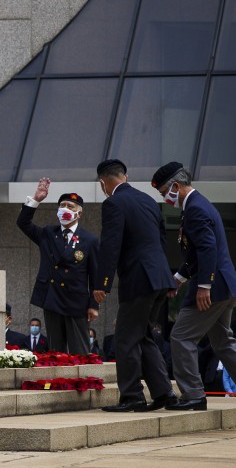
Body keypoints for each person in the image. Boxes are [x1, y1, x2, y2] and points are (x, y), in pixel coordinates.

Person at [151, 162, 236, 411]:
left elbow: (207, 249)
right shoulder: (198, 205)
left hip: (213, 288)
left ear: (176, 186)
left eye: (165, 192)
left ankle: (193, 395)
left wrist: (204, 286)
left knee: (181, 337)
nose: (166, 198)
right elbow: (195, 255)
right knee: (223, 342)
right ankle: (194, 394)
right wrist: (177, 279)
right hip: (225, 287)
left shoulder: (196, 209)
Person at [93, 159, 176, 412]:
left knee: (125, 338)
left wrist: (102, 283)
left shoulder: (114, 203)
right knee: (145, 336)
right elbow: (161, 241)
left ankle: (132, 396)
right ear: (125, 177)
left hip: (139, 279)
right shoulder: (149, 201)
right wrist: (167, 279)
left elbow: (110, 246)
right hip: (159, 277)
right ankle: (164, 393)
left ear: (103, 183)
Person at [16, 181, 100, 354]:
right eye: (62, 205)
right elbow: (23, 223)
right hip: (52, 298)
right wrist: (36, 200)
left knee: (80, 352)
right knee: (56, 352)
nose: (65, 209)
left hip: (76, 301)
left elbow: (96, 276)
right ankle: (59, 381)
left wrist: (94, 305)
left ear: (79, 212)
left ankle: (82, 381)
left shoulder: (89, 240)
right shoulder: (48, 233)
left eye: (70, 206)